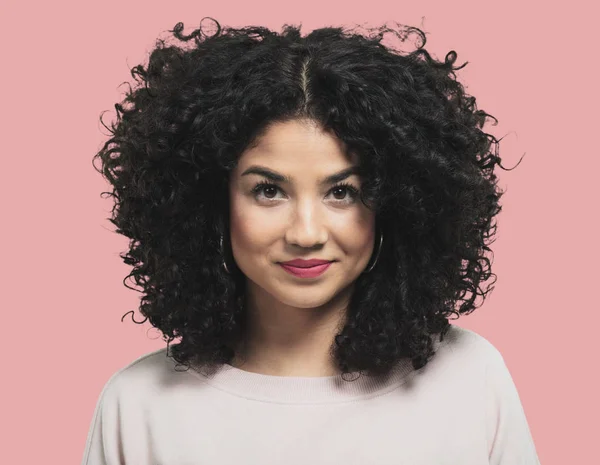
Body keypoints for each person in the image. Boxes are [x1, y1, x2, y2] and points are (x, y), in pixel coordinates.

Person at [82, 17, 540, 464]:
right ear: (211, 205)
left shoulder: (470, 382)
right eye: (268, 191)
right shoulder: (139, 407)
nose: (305, 233)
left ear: (395, 205)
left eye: (341, 192)